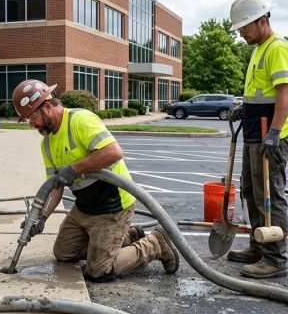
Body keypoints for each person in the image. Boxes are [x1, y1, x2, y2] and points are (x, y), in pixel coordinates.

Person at [11, 80, 179, 282]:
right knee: (63, 254)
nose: (31, 123)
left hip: (112, 206)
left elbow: (114, 152)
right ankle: (129, 236)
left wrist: (74, 168)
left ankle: (155, 243)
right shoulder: (46, 144)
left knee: (98, 270)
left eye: (31, 116)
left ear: (47, 106)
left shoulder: (79, 120)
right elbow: (54, 188)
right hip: (84, 208)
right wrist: (42, 217)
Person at [226, 0, 288, 278]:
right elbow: (262, 92)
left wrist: (276, 132)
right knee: (251, 192)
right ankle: (259, 244)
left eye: (245, 27)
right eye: (240, 29)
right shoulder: (259, 49)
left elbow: (285, 92)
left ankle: (275, 258)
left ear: (262, 20)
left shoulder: (278, 48)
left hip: (271, 133)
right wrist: (245, 109)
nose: (242, 33)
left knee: (270, 196)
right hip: (256, 131)